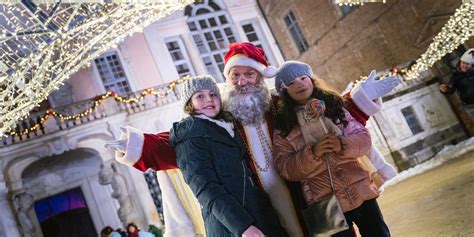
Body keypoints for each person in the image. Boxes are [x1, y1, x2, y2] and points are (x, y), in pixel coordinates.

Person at [105, 42, 400, 236]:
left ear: (261, 78)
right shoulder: (223, 116)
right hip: (254, 200)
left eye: (250, 74)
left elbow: (324, 112)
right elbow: (184, 140)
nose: (244, 81)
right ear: (228, 80)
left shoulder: (279, 106)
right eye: (237, 76)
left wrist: (360, 98)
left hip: (297, 187)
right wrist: (140, 145)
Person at [272, 61, 391, 237]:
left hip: (360, 189)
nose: (299, 83)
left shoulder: (335, 107)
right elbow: (285, 168)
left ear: (311, 79)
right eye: (291, 83)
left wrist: (343, 144)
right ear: (284, 91)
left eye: (303, 77)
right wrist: (313, 153)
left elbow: (364, 138)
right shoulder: (284, 127)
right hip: (324, 201)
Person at [169, 75, 288, 237]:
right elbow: (206, 189)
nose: (209, 100)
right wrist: (243, 227)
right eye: (200, 96)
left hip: (259, 214)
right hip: (232, 227)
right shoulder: (190, 137)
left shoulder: (228, 127)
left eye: (213, 94)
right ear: (189, 103)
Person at [439, 48, 474, 116]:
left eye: (467, 64)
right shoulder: (456, 76)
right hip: (470, 105)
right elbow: (451, 89)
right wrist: (445, 89)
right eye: (463, 62)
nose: (464, 65)